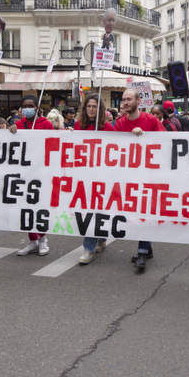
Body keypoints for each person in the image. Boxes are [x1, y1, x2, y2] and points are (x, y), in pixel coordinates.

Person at [114, 88, 165, 273]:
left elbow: (165, 141)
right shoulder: (120, 124)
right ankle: (147, 247)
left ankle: (142, 251)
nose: (126, 102)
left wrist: (144, 136)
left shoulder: (150, 120)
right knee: (135, 213)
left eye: (129, 99)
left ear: (138, 101)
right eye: (123, 99)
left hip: (149, 176)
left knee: (145, 211)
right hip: (129, 177)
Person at [73, 94, 114, 265]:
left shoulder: (108, 128)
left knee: (99, 209)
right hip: (84, 176)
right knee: (88, 211)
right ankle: (93, 244)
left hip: (103, 177)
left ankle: (92, 245)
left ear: (100, 109)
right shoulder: (77, 126)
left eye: (95, 106)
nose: (91, 109)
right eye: (89, 106)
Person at [14, 95, 54, 256]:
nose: (27, 108)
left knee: (39, 208)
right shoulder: (18, 124)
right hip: (23, 173)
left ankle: (43, 239)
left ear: (37, 108)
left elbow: (53, 144)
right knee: (25, 208)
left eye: (30, 106)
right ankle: (32, 240)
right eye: (24, 106)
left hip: (41, 172)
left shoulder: (46, 125)